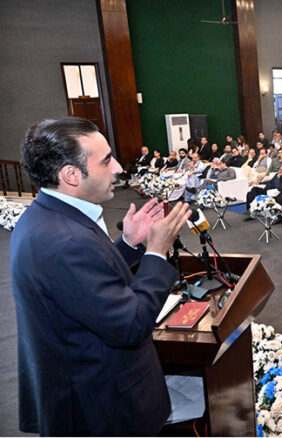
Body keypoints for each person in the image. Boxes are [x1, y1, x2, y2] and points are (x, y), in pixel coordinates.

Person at [11, 118, 192, 435]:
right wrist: (156, 251)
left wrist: (129, 245)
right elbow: (130, 325)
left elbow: (81, 287)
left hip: (80, 387)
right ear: (71, 174)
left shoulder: (44, 217)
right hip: (102, 408)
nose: (119, 168)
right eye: (106, 160)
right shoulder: (68, 241)